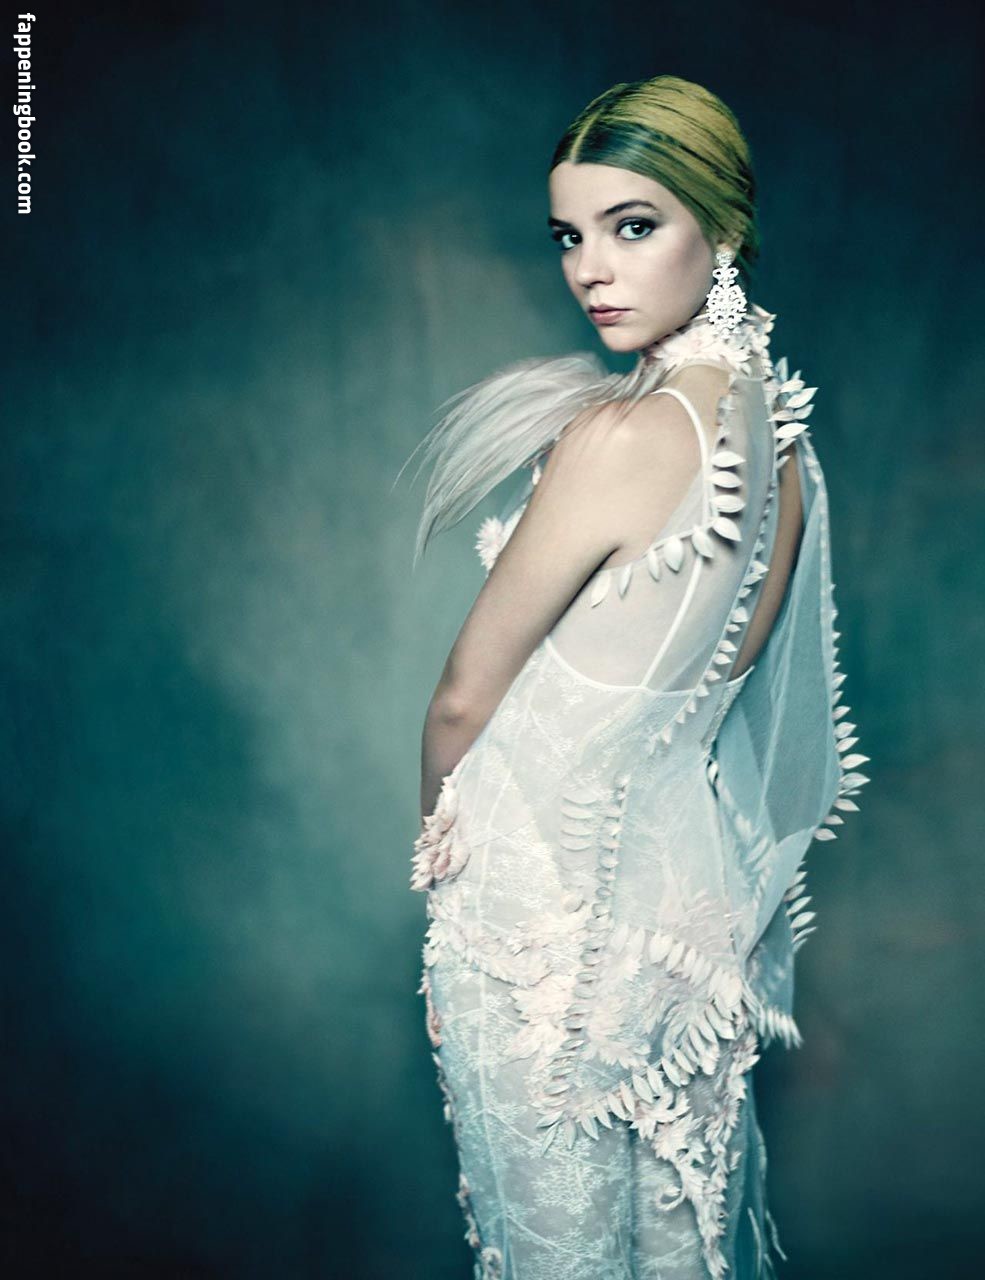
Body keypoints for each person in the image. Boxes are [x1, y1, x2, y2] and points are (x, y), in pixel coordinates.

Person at [401, 74, 871, 1280]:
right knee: (680, 1250)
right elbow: (720, 682)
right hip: (682, 918)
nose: (591, 269)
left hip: (538, 916)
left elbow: (461, 696)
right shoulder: (785, 447)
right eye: (570, 236)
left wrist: (440, 834)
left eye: (632, 225)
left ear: (722, 229)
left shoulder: (619, 438)